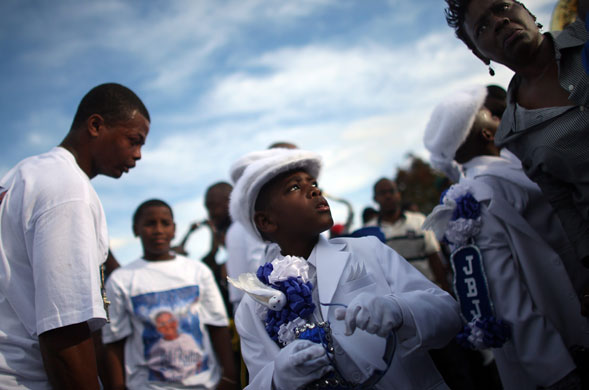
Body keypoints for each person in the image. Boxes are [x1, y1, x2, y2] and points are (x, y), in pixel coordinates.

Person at [229, 148, 462, 389]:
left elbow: (449, 313)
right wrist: (277, 380)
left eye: (314, 183)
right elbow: (257, 380)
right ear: (266, 221)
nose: (315, 190)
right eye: (294, 187)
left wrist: (400, 309)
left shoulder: (367, 250)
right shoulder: (253, 306)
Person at [423, 85, 589, 390]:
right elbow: (505, 298)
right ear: (487, 135)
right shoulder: (477, 195)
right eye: (493, 117)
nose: (502, 120)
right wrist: (557, 371)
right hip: (566, 349)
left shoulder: (510, 168)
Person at [0, 83, 149, 390]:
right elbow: (64, 327)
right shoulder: (67, 189)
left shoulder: (21, 175)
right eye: (133, 141)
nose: (138, 155)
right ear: (96, 125)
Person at [444, 1, 589, 295]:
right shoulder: (512, 133)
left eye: (504, 6)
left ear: (528, 12)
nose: (499, 21)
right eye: (482, 27)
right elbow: (565, 206)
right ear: (478, 52)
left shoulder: (586, 34)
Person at [101, 199, 238, 390]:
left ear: (174, 229)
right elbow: (114, 341)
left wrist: (229, 377)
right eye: (150, 224)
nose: (158, 230)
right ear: (135, 230)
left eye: (165, 223)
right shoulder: (121, 280)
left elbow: (218, 326)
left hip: (204, 385)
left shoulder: (197, 271)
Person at [366, 178, 451, 292]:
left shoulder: (420, 221)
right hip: (394, 300)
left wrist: (446, 289)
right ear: (375, 198)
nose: (388, 196)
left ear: (398, 194)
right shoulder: (369, 230)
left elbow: (434, 258)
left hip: (427, 293)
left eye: (391, 191)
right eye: (382, 193)